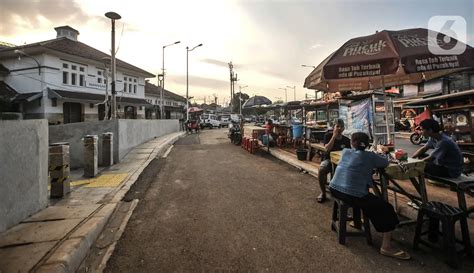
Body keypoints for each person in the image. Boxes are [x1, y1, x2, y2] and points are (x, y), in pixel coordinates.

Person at [329, 132, 410, 260]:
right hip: (352, 194)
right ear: (367, 145)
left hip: (334, 188)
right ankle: (386, 247)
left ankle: (357, 222)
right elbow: (385, 163)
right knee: (386, 208)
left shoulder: (345, 152)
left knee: (366, 198)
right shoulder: (370, 156)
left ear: (352, 143)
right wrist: (384, 152)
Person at [317, 119, 351, 203]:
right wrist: (333, 137)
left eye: (341, 126)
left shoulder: (346, 140)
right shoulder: (328, 136)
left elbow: (349, 153)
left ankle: (345, 193)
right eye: (337, 126)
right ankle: (323, 193)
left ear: (344, 128)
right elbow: (327, 149)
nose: (339, 128)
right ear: (333, 127)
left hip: (342, 163)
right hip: (329, 160)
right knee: (321, 170)